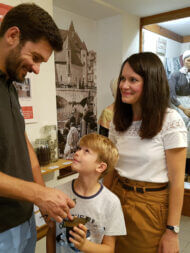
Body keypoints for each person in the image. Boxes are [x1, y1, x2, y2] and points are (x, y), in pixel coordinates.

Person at [0, 3, 75, 253]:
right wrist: (37, 194)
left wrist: (42, 196)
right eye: (35, 58)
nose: (37, 69)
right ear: (13, 35)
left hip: (25, 219)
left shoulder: (10, 84)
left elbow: (24, 144)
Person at [104, 52, 187, 253]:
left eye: (133, 80)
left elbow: (177, 182)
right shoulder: (118, 120)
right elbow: (111, 168)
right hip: (116, 196)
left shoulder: (170, 120)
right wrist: (99, 200)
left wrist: (172, 231)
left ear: (151, 83)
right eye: (123, 78)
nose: (124, 85)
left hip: (149, 205)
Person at [47, 133, 126, 253]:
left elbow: (109, 249)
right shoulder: (59, 192)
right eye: (79, 148)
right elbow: (51, 233)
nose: (77, 153)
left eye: (86, 151)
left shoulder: (111, 203)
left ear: (100, 167)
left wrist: (85, 245)